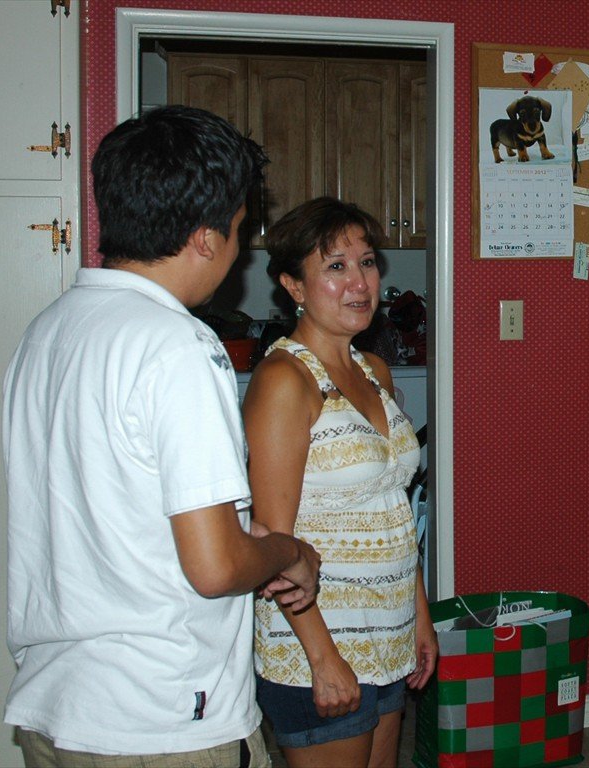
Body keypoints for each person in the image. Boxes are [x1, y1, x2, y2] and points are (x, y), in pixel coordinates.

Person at [2, 105, 321, 767]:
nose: (236, 254)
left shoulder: (49, 331)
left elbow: (115, 512)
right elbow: (215, 569)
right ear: (207, 236)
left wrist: (239, 539)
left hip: (59, 701)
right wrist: (289, 552)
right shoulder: (177, 344)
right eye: (237, 232)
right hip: (160, 715)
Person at [245, 197, 438, 768]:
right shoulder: (285, 380)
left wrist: (419, 618)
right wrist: (322, 659)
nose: (360, 282)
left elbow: (395, 510)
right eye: (335, 266)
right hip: (320, 642)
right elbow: (274, 541)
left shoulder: (372, 371)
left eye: (368, 262)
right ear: (293, 286)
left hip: (389, 630)